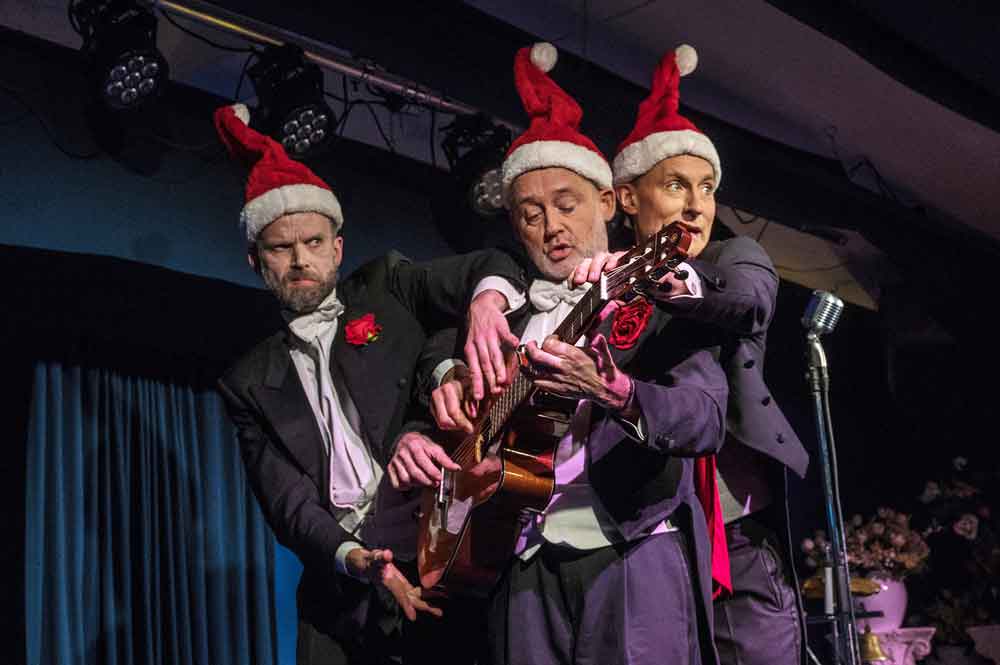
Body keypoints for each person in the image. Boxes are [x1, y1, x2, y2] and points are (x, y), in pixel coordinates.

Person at [428, 43, 729, 665]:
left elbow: (706, 418)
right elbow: (424, 327)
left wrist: (617, 391)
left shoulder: (659, 292)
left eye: (567, 205)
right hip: (521, 559)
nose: (552, 227)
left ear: (609, 203)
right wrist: (450, 385)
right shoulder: (504, 318)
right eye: (531, 214)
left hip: (632, 548)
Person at [212, 103, 525, 665]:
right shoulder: (248, 381)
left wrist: (484, 306)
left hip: (435, 552)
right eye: (281, 248)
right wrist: (354, 558)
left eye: (314, 242)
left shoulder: (387, 285)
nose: (300, 260)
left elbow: (488, 265)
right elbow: (287, 501)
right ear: (256, 261)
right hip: (342, 584)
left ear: (337, 247)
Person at [610, 45, 810, 665]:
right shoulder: (604, 283)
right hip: (645, 535)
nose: (697, 205)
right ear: (627, 199)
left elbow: (748, 301)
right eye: (676, 186)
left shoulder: (733, 257)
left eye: (706, 188)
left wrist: (682, 285)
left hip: (737, 531)